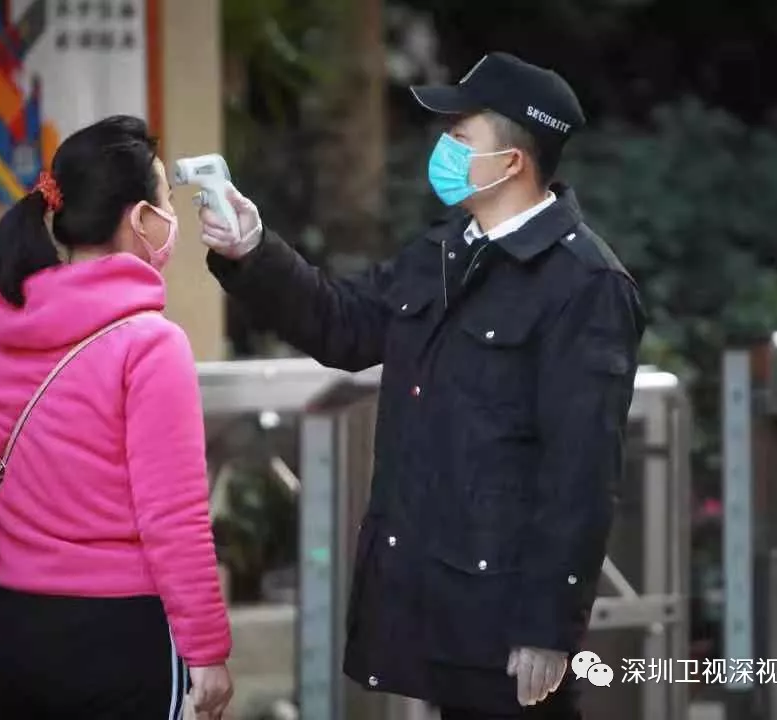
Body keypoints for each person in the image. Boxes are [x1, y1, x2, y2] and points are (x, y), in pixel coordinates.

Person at [199, 53, 646, 719]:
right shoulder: (447, 250)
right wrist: (253, 252)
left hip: (506, 612)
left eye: (461, 137)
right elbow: (344, 326)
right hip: (437, 595)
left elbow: (580, 472)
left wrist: (548, 627)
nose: (444, 149)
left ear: (512, 162)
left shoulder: (585, 285)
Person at [0, 116, 233, 720]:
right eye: (166, 201)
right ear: (140, 218)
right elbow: (174, 516)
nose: (172, 218)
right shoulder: (151, 344)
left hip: (12, 637)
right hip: (117, 643)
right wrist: (207, 650)